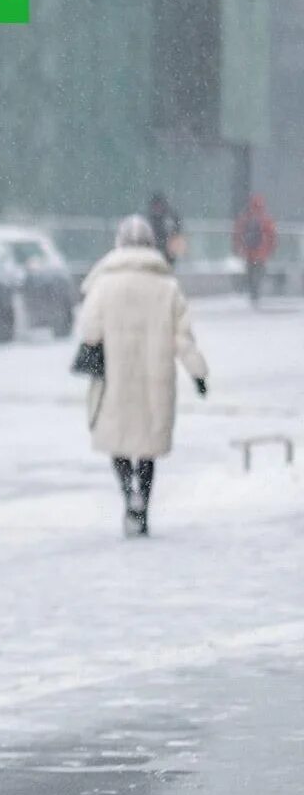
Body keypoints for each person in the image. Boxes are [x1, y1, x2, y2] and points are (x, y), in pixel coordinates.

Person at [76, 216, 209, 538]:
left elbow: (89, 331)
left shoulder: (104, 283)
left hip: (116, 377)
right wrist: (198, 373)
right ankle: (143, 508)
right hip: (155, 376)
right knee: (147, 446)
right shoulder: (167, 287)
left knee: (118, 440)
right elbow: (183, 338)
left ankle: (128, 495)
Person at [233, 194, 278, 307]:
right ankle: (256, 293)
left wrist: (239, 248)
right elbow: (272, 236)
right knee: (258, 273)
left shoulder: (245, 218)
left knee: (251, 273)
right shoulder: (266, 219)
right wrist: (271, 250)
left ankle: (253, 293)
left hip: (249, 253)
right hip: (261, 254)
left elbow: (238, 234)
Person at [145, 192, 184, 269]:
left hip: (168, 251)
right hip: (155, 251)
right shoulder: (150, 219)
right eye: (156, 205)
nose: (157, 208)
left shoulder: (170, 217)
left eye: (159, 205)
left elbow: (177, 232)